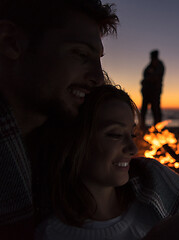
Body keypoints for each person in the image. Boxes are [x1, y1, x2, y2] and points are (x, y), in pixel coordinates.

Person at [36, 85, 179, 240]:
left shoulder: (154, 200)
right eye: (115, 135)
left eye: (132, 134)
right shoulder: (52, 233)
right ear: (75, 142)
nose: (133, 149)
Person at [0, 0, 119, 238]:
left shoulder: (64, 148)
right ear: (11, 42)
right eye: (81, 54)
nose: (99, 78)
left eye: (99, 60)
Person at [140, 50, 165, 128]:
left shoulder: (160, 65)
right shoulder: (149, 66)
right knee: (144, 110)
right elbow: (144, 75)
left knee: (156, 110)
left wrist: (148, 79)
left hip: (155, 92)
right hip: (146, 92)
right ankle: (142, 127)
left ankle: (157, 128)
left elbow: (156, 77)